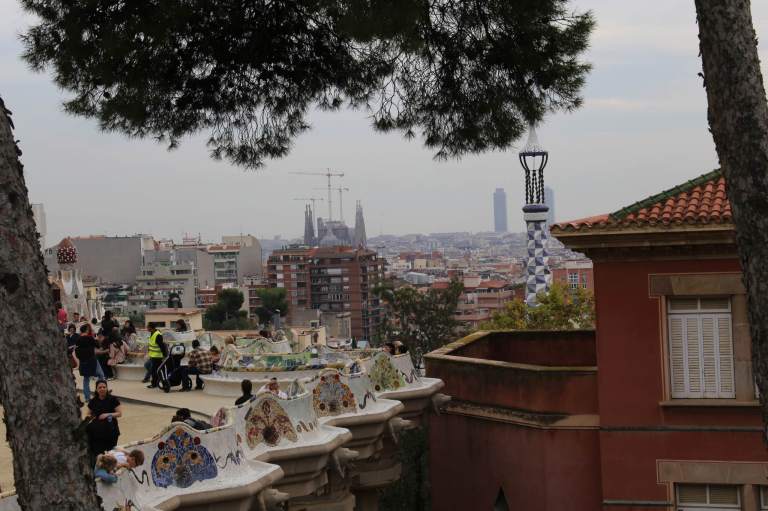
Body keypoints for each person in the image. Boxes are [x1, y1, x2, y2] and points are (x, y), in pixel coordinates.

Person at [87, 380, 122, 459]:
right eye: (100, 387)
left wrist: (107, 414)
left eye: (104, 387)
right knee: (98, 453)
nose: (102, 389)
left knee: (110, 453)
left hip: (111, 431)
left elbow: (119, 413)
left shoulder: (113, 399)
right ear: (96, 389)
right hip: (97, 432)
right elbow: (88, 414)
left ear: (107, 388)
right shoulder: (93, 401)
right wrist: (92, 417)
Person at [76, 324, 106, 401]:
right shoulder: (89, 338)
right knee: (101, 375)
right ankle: (102, 393)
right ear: (86, 330)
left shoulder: (78, 339)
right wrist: (95, 337)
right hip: (92, 360)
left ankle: (87, 398)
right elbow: (98, 345)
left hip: (83, 361)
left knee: (86, 379)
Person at [146, 323, 167, 389]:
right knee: (154, 370)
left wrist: (164, 356)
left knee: (157, 370)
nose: (147, 329)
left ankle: (162, 384)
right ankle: (155, 383)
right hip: (153, 356)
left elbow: (162, 346)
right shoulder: (152, 334)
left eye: (148, 327)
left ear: (151, 328)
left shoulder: (157, 335)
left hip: (158, 356)